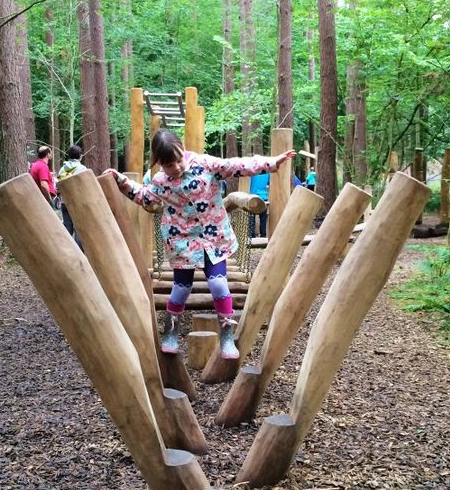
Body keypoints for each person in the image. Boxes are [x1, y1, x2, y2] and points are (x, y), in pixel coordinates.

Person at [104, 130, 295, 359]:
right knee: (181, 288)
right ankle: (171, 331)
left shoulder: (205, 164)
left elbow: (236, 165)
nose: (176, 167)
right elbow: (145, 198)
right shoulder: (160, 182)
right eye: (168, 164)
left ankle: (226, 334)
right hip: (182, 241)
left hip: (213, 237)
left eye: (178, 159)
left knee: (218, 285)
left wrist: (271, 162)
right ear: (159, 163)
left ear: (183, 150)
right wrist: (121, 180)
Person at [57, 145, 87, 246]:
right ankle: (80, 255)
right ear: (80, 156)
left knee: (67, 230)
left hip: (64, 202)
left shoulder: (62, 169)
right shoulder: (82, 169)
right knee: (80, 230)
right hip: (78, 203)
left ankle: (66, 253)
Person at [249, 171, 270, 238]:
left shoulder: (253, 171)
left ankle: (252, 236)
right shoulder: (267, 173)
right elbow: (268, 183)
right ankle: (263, 235)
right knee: (263, 218)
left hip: (253, 196)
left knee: (252, 217)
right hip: (264, 197)